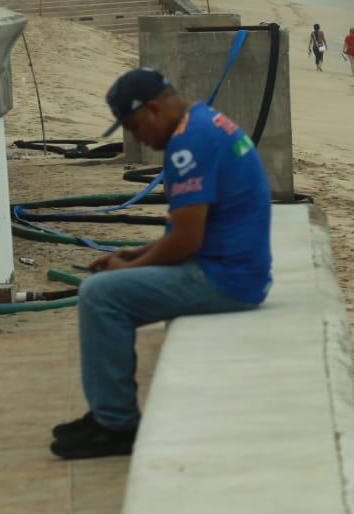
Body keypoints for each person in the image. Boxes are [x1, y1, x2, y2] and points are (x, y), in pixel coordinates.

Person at [49, 68, 271, 459]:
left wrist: (127, 270)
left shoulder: (188, 146)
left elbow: (187, 240)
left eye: (135, 127)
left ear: (154, 109)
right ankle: (108, 412)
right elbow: (186, 233)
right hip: (233, 266)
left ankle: (115, 423)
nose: (137, 138)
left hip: (226, 278)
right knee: (108, 287)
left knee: (100, 296)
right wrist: (137, 255)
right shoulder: (202, 121)